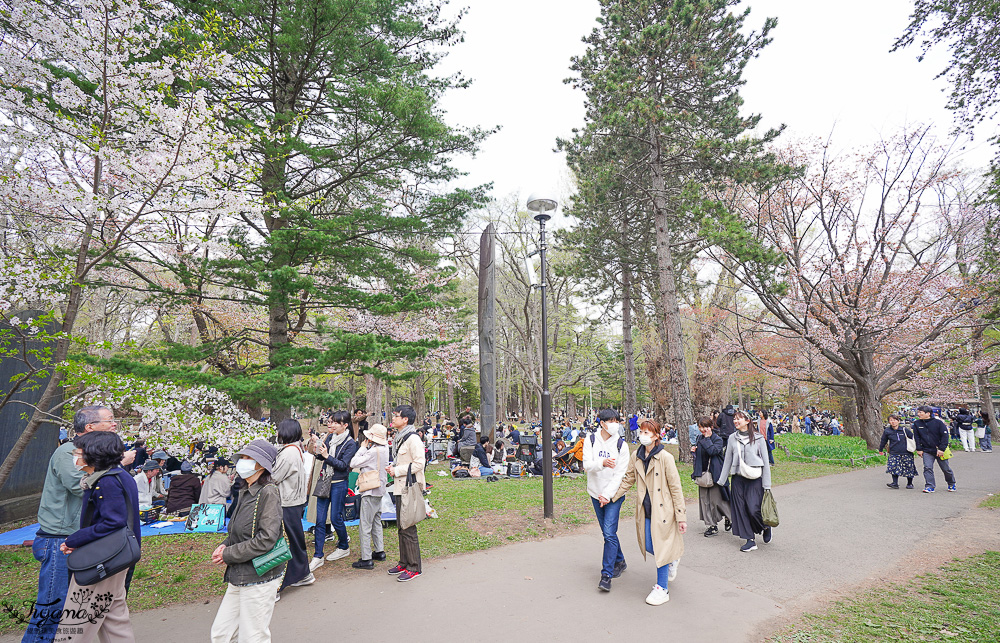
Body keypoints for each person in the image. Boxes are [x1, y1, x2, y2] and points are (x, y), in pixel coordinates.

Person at [23, 406, 123, 643]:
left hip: (78, 537)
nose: (114, 424)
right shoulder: (69, 452)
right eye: (109, 420)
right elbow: (80, 485)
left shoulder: (89, 453)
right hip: (58, 539)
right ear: (90, 427)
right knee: (52, 604)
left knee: (73, 604)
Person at [56, 430, 140, 643]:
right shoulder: (120, 475)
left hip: (101, 560)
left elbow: (112, 522)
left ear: (95, 454)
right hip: (117, 557)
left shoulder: (106, 481)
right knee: (114, 619)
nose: (76, 456)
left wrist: (74, 540)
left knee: (76, 619)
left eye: (79, 452)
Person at [210, 440, 285, 641]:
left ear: (261, 465)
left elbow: (266, 539)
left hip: (260, 574)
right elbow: (239, 530)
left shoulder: (268, 492)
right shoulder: (245, 491)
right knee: (221, 634)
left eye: (248, 458)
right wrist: (226, 544)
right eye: (241, 458)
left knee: (253, 636)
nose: (242, 462)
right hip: (240, 573)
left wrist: (228, 554)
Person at [609, 419, 686, 606]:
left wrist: (681, 516)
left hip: (663, 510)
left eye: (647, 432)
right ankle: (673, 557)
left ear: (656, 436)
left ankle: (662, 588)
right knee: (649, 545)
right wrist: (612, 496)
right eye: (641, 431)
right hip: (645, 508)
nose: (642, 435)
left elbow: (676, 487)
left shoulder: (665, 458)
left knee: (660, 549)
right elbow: (628, 479)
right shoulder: (637, 455)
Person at [583, 408, 630, 592]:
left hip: (613, 495)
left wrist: (608, 495)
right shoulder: (591, 440)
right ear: (602, 423)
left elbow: (620, 475)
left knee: (609, 533)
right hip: (595, 492)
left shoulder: (621, 445)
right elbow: (586, 465)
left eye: (617, 421)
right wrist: (601, 464)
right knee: (607, 532)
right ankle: (620, 560)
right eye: (611, 421)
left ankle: (606, 575)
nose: (615, 424)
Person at [717, 410, 772, 552]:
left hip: (755, 478)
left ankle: (765, 526)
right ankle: (750, 540)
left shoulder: (759, 439)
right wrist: (722, 481)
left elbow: (765, 462)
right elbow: (727, 459)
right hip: (738, 478)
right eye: (734, 419)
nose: (735, 421)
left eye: (738, 419)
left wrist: (767, 485)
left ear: (747, 421)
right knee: (741, 509)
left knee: (753, 509)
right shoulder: (731, 438)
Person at [309, 410, 357, 569]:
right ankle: (318, 556)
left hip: (338, 483)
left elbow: (344, 466)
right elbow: (321, 457)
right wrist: (318, 450)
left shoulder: (350, 443)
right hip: (324, 481)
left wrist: (327, 456)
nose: (332, 425)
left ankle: (344, 546)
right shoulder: (330, 437)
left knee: (336, 518)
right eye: (331, 422)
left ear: (344, 425)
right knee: (320, 520)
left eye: (336, 422)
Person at [385, 404, 426, 582]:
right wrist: (393, 468)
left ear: (405, 420)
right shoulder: (400, 437)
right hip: (399, 487)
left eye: (396, 416)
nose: (392, 419)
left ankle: (414, 567)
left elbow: (419, 464)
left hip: (409, 487)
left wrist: (398, 470)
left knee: (408, 526)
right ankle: (404, 561)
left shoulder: (413, 439)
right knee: (401, 526)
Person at [273, 419, 312, 592]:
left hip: (288, 502)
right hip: (293, 501)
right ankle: (303, 574)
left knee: (288, 541)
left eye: (279, 430)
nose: (277, 434)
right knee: (295, 539)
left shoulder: (289, 453)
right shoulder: (294, 449)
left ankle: (281, 582)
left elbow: (274, 477)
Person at [349, 423, 390, 570]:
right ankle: (379, 551)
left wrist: (362, 447)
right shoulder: (385, 449)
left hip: (370, 489)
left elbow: (353, 462)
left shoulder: (372, 451)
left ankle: (366, 558)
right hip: (380, 489)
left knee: (365, 525)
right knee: (377, 521)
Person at [692, 416, 730, 536]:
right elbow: (701, 455)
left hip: (715, 474)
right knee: (704, 501)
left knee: (717, 501)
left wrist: (707, 439)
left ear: (711, 427)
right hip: (702, 474)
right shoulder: (699, 438)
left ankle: (730, 518)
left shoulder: (718, 439)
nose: (703, 429)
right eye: (700, 427)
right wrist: (694, 450)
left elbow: (713, 451)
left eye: (706, 427)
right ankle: (711, 526)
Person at [912, 405, 957, 493]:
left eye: (920, 412)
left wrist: (941, 449)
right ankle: (930, 486)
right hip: (926, 450)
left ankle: (951, 483)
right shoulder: (917, 423)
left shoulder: (938, 422)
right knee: (927, 468)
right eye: (918, 412)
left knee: (945, 468)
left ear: (928, 413)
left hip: (939, 449)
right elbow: (916, 437)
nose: (918, 414)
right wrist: (919, 449)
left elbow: (945, 436)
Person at [879, 414, 917, 489]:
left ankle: (910, 483)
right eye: (891, 420)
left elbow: (913, 438)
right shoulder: (887, 431)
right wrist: (880, 449)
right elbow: (883, 440)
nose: (893, 422)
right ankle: (895, 483)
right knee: (893, 467)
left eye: (895, 420)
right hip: (894, 452)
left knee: (908, 467)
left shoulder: (904, 430)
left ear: (898, 421)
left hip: (906, 452)